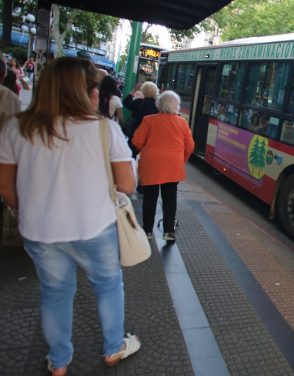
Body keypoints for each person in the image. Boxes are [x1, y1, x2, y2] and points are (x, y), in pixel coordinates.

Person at [0, 57, 141, 376]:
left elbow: (6, 188)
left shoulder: (16, 127)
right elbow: (127, 185)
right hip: (94, 227)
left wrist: (37, 208)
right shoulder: (105, 128)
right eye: (94, 89)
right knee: (108, 286)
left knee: (55, 293)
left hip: (39, 230)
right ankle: (113, 348)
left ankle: (59, 362)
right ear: (87, 93)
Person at [132, 90, 194, 241]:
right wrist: (180, 159)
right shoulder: (182, 123)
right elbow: (190, 146)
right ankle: (168, 232)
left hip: (151, 164)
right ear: (176, 106)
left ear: (159, 104)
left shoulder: (149, 120)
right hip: (173, 165)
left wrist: (146, 150)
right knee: (170, 199)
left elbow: (136, 141)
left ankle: (147, 231)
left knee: (149, 198)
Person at [123, 81, 159, 157]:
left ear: (143, 91)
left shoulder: (139, 102)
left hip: (136, 134)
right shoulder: (158, 106)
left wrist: (134, 90)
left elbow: (126, 103)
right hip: (150, 138)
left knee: (132, 156)